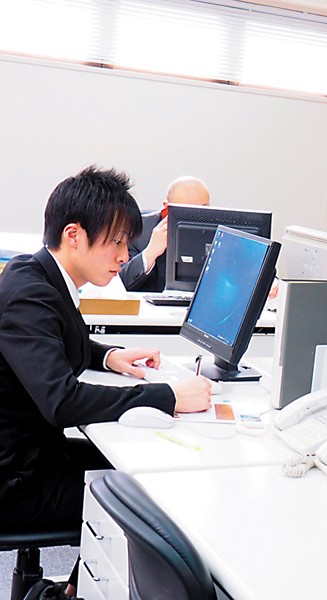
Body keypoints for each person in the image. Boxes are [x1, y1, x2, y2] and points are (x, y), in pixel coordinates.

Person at [0, 166, 212, 594]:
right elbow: (63, 402)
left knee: (130, 467)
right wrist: (167, 396)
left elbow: (53, 339)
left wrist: (109, 356)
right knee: (145, 496)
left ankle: (71, 590)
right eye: (115, 242)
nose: (123, 255)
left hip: (29, 455)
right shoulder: (30, 293)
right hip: (15, 483)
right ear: (74, 235)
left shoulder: (38, 274)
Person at [119, 175, 210, 292]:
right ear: (167, 208)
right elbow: (118, 283)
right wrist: (150, 252)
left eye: (203, 209)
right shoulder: (138, 230)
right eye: (187, 210)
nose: (196, 218)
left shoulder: (218, 235)